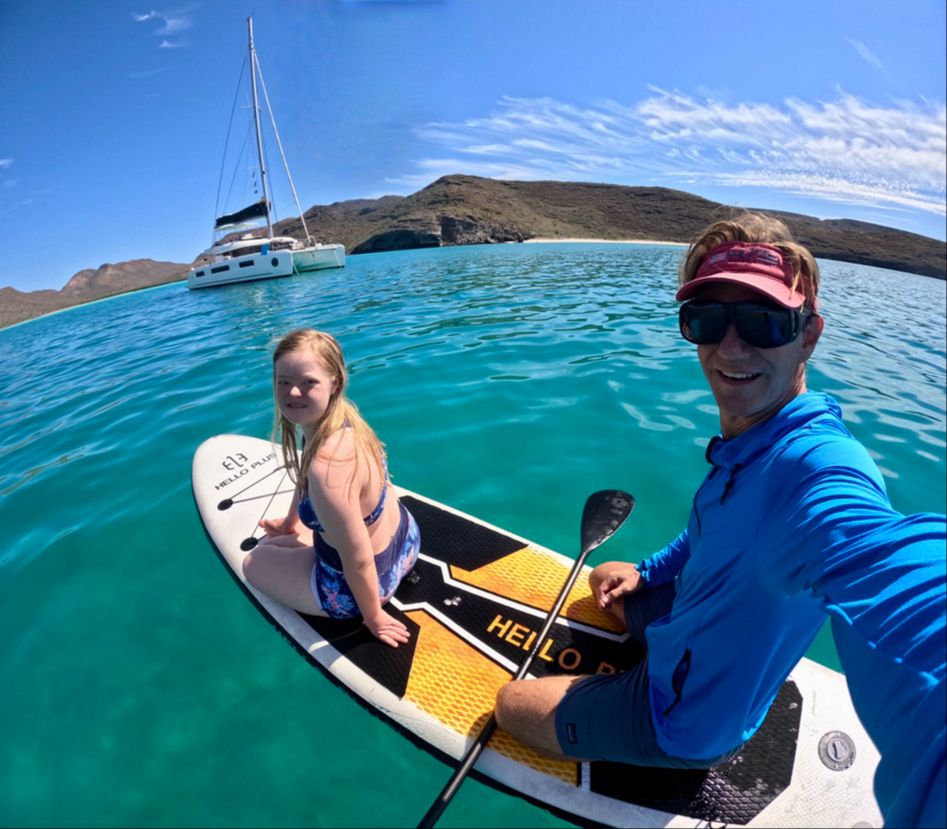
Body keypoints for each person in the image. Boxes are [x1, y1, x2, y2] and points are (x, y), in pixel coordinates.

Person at [494, 213, 946, 827]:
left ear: (808, 335)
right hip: (689, 619)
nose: (731, 348)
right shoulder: (756, 441)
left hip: (687, 717)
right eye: (707, 319)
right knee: (607, 579)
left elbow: (888, 567)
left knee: (509, 705)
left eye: (763, 321)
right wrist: (651, 569)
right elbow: (717, 530)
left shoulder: (819, 471)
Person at [242, 328, 421, 648]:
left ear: (334, 382)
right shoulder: (346, 420)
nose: (292, 393)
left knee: (255, 562)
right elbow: (304, 480)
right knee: (283, 541)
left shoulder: (326, 469)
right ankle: (298, 542)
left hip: (363, 587)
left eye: (307, 382)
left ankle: (361, 605)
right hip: (407, 544)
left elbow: (359, 560)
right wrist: (289, 523)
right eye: (283, 382)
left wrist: (374, 618)